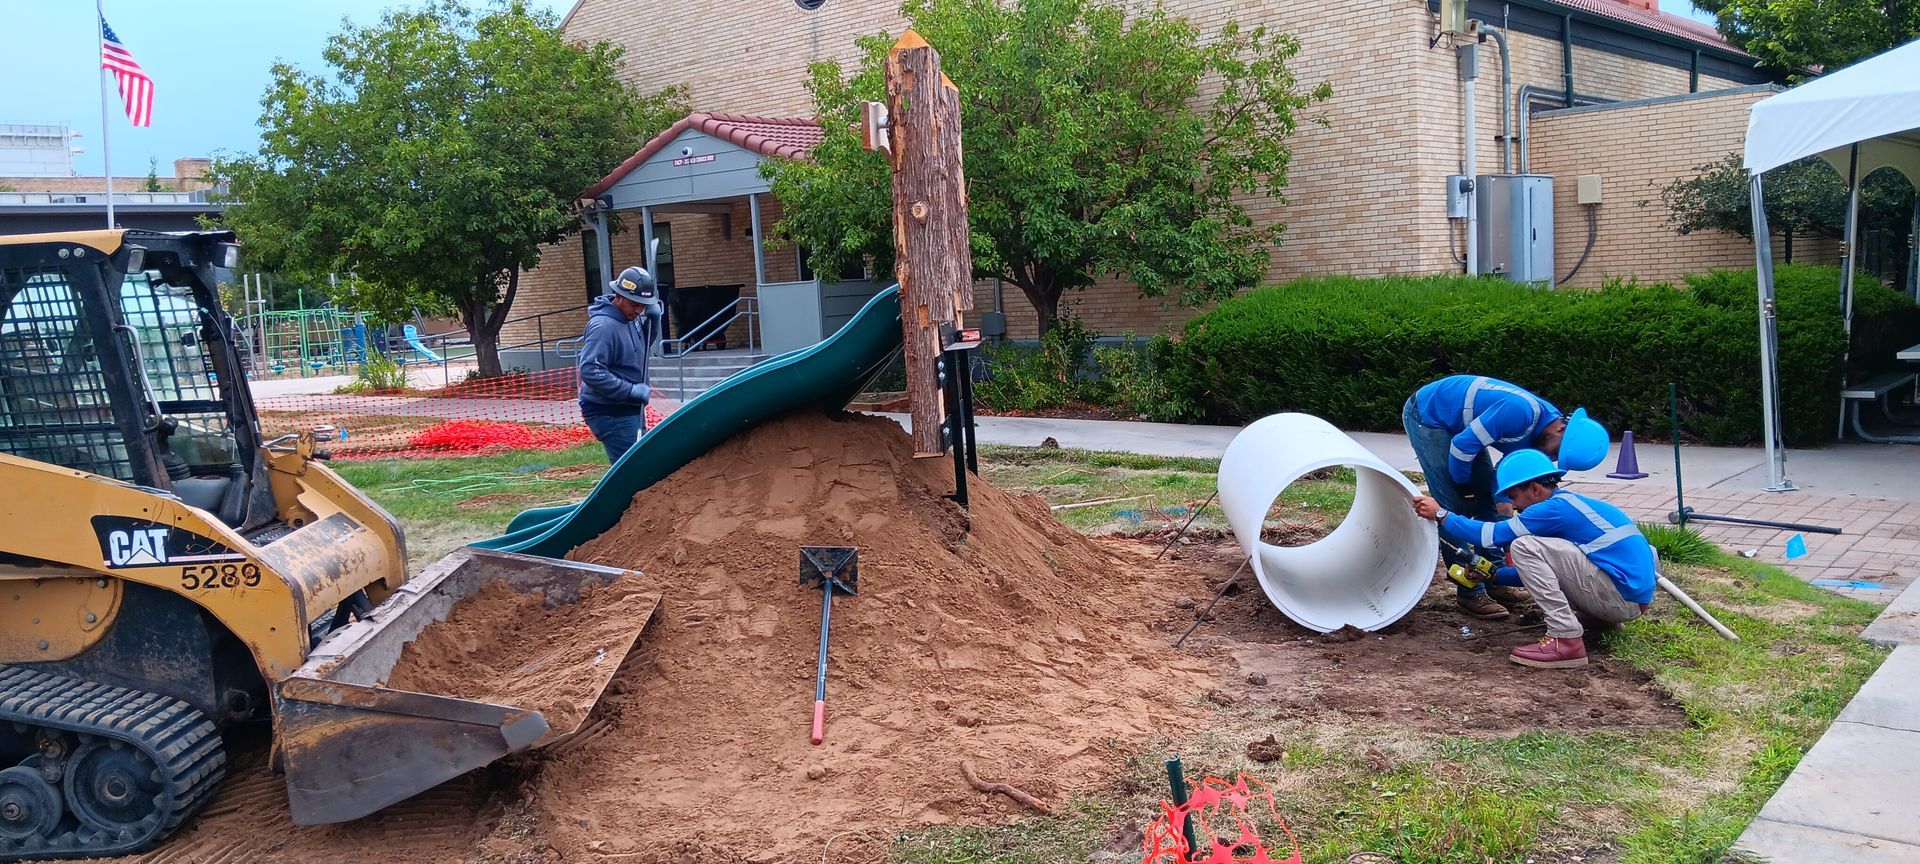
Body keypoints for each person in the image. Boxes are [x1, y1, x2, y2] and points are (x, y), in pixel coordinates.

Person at [1411, 449, 1655, 669]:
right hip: (1626, 601)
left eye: (1514, 497)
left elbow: (1489, 536)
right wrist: (1496, 575)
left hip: (1618, 599)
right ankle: (1598, 621)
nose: (1514, 506)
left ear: (1536, 489)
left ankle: (1565, 639)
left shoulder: (1552, 509)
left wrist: (1442, 514)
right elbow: (1556, 570)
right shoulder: (1571, 506)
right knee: (1531, 548)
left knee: (1524, 545)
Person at [1402, 374, 1608, 619]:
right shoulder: (1520, 413)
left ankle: (1493, 576)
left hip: (1463, 433)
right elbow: (1461, 446)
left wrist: (1505, 505)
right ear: (1561, 430)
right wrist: (1462, 486)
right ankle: (1470, 592)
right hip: (1429, 415)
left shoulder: (1543, 430)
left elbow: (1507, 473)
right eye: (1556, 453)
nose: (1551, 460)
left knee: (1485, 503)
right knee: (1452, 505)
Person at [579, 266, 665, 462]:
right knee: (633, 469)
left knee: (638, 464)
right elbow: (591, 370)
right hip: (610, 411)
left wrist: (654, 321)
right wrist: (630, 391)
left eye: (643, 306)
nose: (638, 310)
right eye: (635, 304)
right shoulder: (603, 327)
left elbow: (640, 347)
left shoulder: (630, 317)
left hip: (628, 407)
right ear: (618, 296)